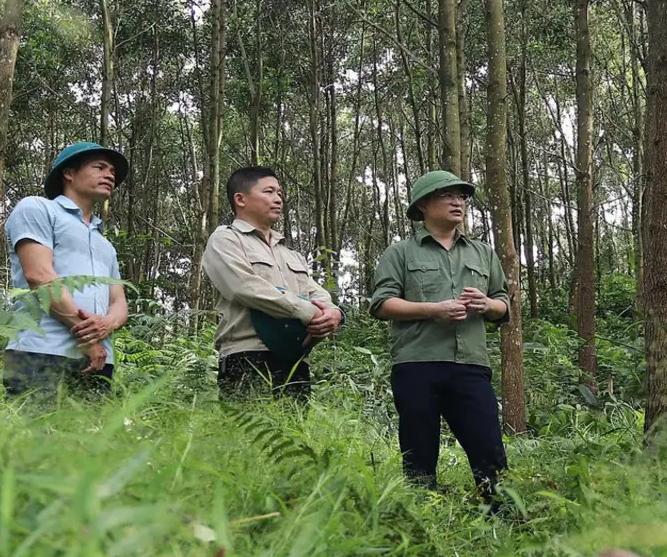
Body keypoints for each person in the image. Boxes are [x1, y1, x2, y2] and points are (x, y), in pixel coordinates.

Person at [369, 170, 510, 510]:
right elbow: (381, 303)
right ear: (423, 205)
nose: (457, 201)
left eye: (461, 196)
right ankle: (423, 522)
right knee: (419, 452)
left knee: (489, 449)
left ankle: (503, 518)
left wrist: (487, 304)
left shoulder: (482, 253)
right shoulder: (400, 253)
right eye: (447, 195)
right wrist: (433, 310)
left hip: (471, 365)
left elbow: (502, 304)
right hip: (417, 364)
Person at [202, 166, 343, 402]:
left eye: (280, 193)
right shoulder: (225, 240)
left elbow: (314, 291)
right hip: (246, 353)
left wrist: (333, 313)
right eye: (269, 191)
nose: (278, 199)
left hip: (294, 356)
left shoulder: (291, 254)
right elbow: (243, 286)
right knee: (246, 436)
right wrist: (308, 312)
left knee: (293, 435)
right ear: (240, 199)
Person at [3, 141, 130, 402]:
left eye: (112, 172)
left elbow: (118, 301)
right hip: (40, 350)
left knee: (89, 441)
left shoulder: (105, 243)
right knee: (32, 438)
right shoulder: (37, 208)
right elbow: (39, 275)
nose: (109, 175)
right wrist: (87, 338)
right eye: (99, 167)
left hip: (98, 361)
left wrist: (107, 324)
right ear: (68, 173)